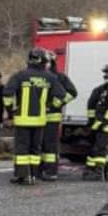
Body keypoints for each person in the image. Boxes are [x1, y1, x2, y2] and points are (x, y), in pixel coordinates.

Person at [2, 49, 53, 185]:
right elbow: (63, 95)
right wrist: (49, 106)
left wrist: (10, 112)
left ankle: (22, 176)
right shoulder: (49, 77)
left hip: (22, 120)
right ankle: (33, 175)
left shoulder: (20, 75)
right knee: (35, 149)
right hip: (40, 120)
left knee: (22, 148)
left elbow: (7, 94)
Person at [41, 50, 76, 182]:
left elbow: (72, 92)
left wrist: (56, 104)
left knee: (50, 145)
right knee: (38, 145)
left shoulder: (60, 77)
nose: (45, 65)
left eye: (47, 62)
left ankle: (51, 171)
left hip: (52, 117)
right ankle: (38, 170)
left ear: (52, 63)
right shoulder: (37, 77)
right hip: (36, 117)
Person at [84, 65, 108, 180]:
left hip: (104, 126)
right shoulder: (100, 90)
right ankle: (93, 171)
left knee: (99, 150)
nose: (105, 76)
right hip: (100, 126)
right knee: (97, 149)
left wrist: (99, 122)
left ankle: (98, 172)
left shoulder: (102, 90)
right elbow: (91, 108)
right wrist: (92, 123)